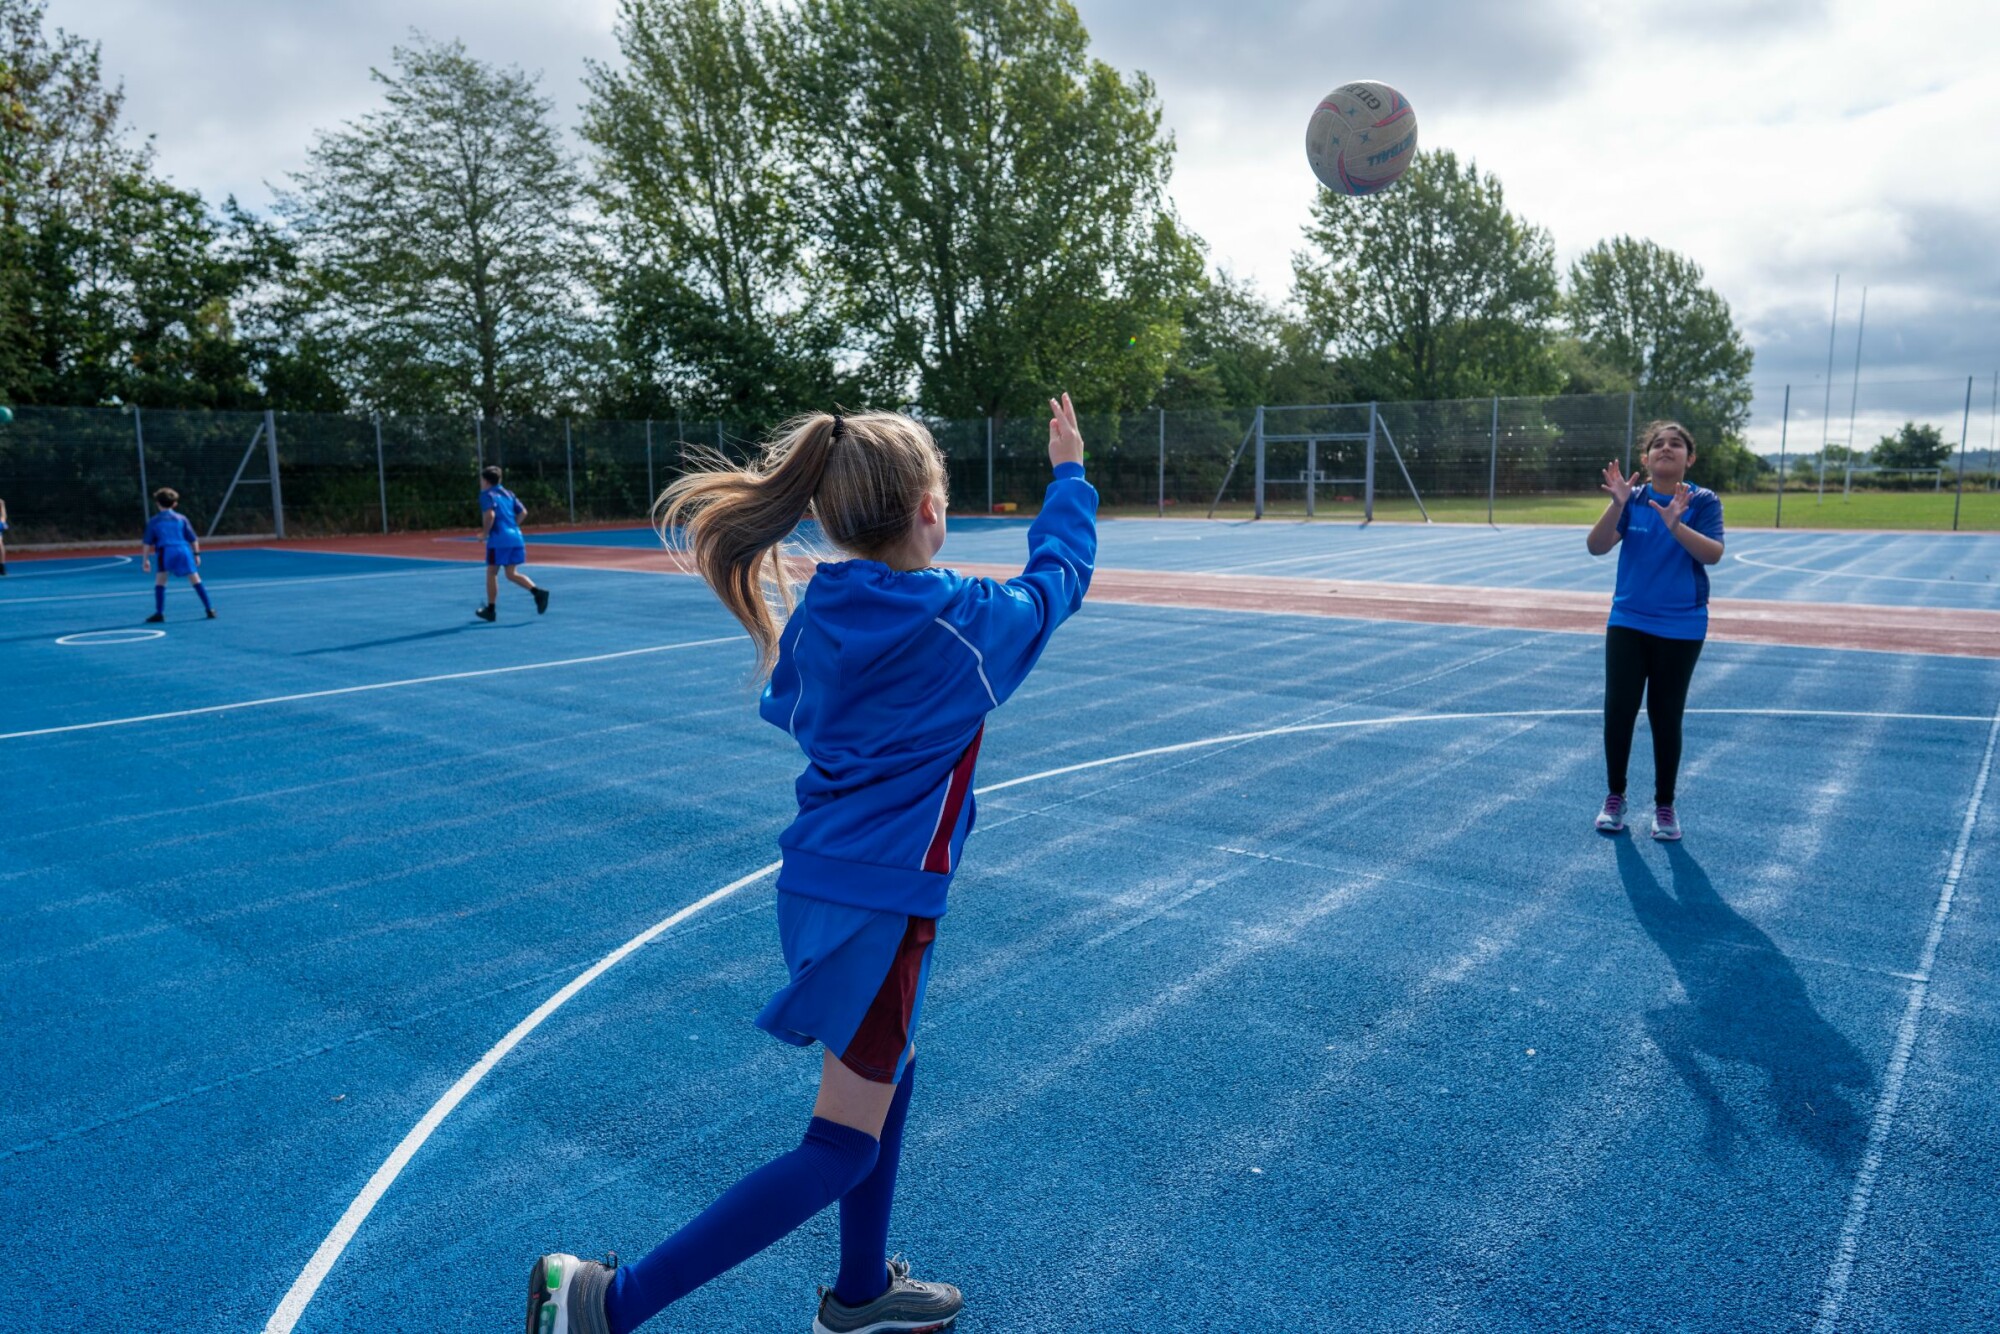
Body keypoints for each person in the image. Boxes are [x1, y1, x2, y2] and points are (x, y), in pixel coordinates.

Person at [525, 397, 1097, 1334]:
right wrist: (1068, 474)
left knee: (888, 1073)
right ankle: (606, 1305)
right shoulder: (961, 620)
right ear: (929, 510)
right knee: (839, 1145)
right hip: (881, 907)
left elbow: (792, 707)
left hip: (820, 885)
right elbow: (1059, 580)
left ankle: (862, 1292)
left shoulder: (822, 612)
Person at [1586, 421, 1725, 841]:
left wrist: (1675, 525)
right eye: (1658, 444)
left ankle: (1665, 805)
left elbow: (1713, 554)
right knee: (1619, 710)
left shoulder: (1703, 501)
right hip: (1628, 620)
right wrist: (1616, 504)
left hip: (1682, 624)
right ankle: (1615, 796)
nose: (1666, 448)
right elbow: (1596, 546)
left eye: (1676, 444)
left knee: (1666, 715)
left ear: (1689, 458)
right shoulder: (1632, 499)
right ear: (1645, 458)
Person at [477, 466, 548, 620]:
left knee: (491, 572)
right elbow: (523, 512)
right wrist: (512, 526)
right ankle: (538, 593)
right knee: (511, 573)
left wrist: (484, 533)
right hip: (516, 538)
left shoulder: (486, 495)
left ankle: (491, 610)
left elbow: (490, 515)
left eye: (481, 480)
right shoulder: (509, 493)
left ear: (486, 481)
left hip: (499, 541)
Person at [141, 488, 214, 622]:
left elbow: (147, 543)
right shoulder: (181, 518)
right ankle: (209, 609)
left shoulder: (154, 521)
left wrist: (145, 560)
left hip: (166, 551)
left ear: (157, 503)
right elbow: (193, 539)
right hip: (183, 550)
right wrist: (196, 554)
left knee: (161, 581)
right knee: (195, 579)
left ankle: (159, 613)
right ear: (175, 504)